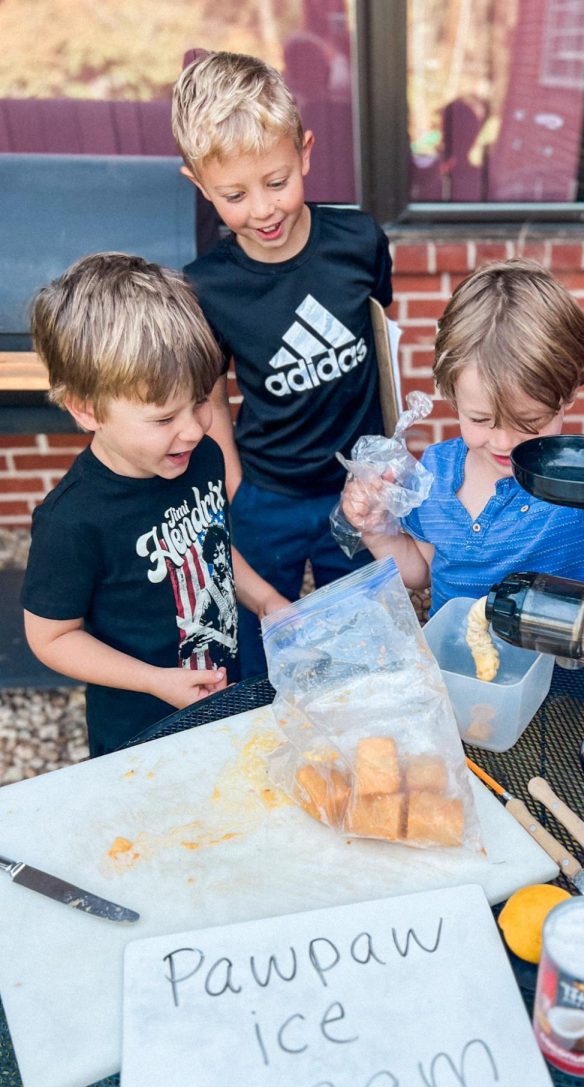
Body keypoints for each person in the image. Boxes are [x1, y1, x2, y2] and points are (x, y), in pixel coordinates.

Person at [171, 50, 393, 674]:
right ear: (199, 184)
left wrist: (386, 457)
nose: (263, 210)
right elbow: (210, 393)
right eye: (234, 195)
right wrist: (235, 485)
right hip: (265, 491)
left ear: (305, 153)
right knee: (256, 641)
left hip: (353, 490)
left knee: (361, 634)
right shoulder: (207, 286)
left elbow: (381, 343)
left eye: (276, 182)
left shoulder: (358, 241)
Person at [21, 253, 289, 757]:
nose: (194, 428)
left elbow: (211, 547)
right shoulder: (72, 521)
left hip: (219, 696)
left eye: (200, 401)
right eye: (164, 418)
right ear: (87, 409)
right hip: (140, 729)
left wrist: (267, 601)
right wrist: (153, 680)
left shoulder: (199, 457)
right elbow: (51, 638)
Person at [341, 259, 584, 614]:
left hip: (562, 667)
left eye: (528, 422)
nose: (503, 442)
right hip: (457, 664)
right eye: (481, 419)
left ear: (568, 394)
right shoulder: (435, 471)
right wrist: (379, 532)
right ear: (451, 394)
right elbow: (422, 569)